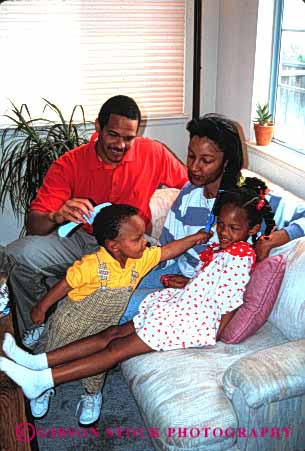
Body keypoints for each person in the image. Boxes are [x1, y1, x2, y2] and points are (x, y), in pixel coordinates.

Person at [0, 177, 276, 408]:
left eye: (233, 228)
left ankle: (43, 380)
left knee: (116, 349)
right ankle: (37, 361)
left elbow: (229, 299)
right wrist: (188, 285)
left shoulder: (240, 257)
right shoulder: (224, 250)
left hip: (189, 322)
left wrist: (216, 334)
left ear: (252, 229)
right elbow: (212, 285)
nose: (223, 232)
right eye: (220, 224)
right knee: (110, 334)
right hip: (181, 306)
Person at [4, 95, 188, 340]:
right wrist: (56, 215)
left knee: (164, 266)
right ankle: (40, 333)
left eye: (129, 138)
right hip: (80, 238)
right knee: (18, 255)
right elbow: (34, 224)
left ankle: (116, 337)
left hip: (129, 243)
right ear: (98, 128)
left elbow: (191, 185)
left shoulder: (153, 153)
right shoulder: (69, 164)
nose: (121, 145)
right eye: (113, 134)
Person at [23, 203, 212, 424]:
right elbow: (64, 285)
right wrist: (42, 307)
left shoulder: (141, 259)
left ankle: (92, 394)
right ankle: (44, 385)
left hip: (104, 326)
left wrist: (195, 237)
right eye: (137, 238)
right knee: (56, 349)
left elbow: (168, 251)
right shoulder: (91, 265)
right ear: (114, 246)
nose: (145, 242)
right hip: (72, 321)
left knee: (97, 364)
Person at [119, 113, 305, 323]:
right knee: (108, 291)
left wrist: (277, 238)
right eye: (191, 156)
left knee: (121, 308)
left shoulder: (250, 199)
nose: (194, 167)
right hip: (177, 268)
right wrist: (133, 270)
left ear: (226, 163)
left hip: (205, 292)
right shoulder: (189, 193)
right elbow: (167, 246)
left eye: (206, 160)